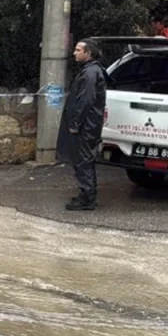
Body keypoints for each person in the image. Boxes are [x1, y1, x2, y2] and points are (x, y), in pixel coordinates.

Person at [57, 38, 108, 211]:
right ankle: (86, 194)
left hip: (86, 126)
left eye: (79, 50)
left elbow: (85, 101)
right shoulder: (91, 71)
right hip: (88, 124)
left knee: (83, 160)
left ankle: (87, 198)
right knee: (83, 160)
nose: (74, 53)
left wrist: (75, 124)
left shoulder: (90, 73)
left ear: (88, 53)